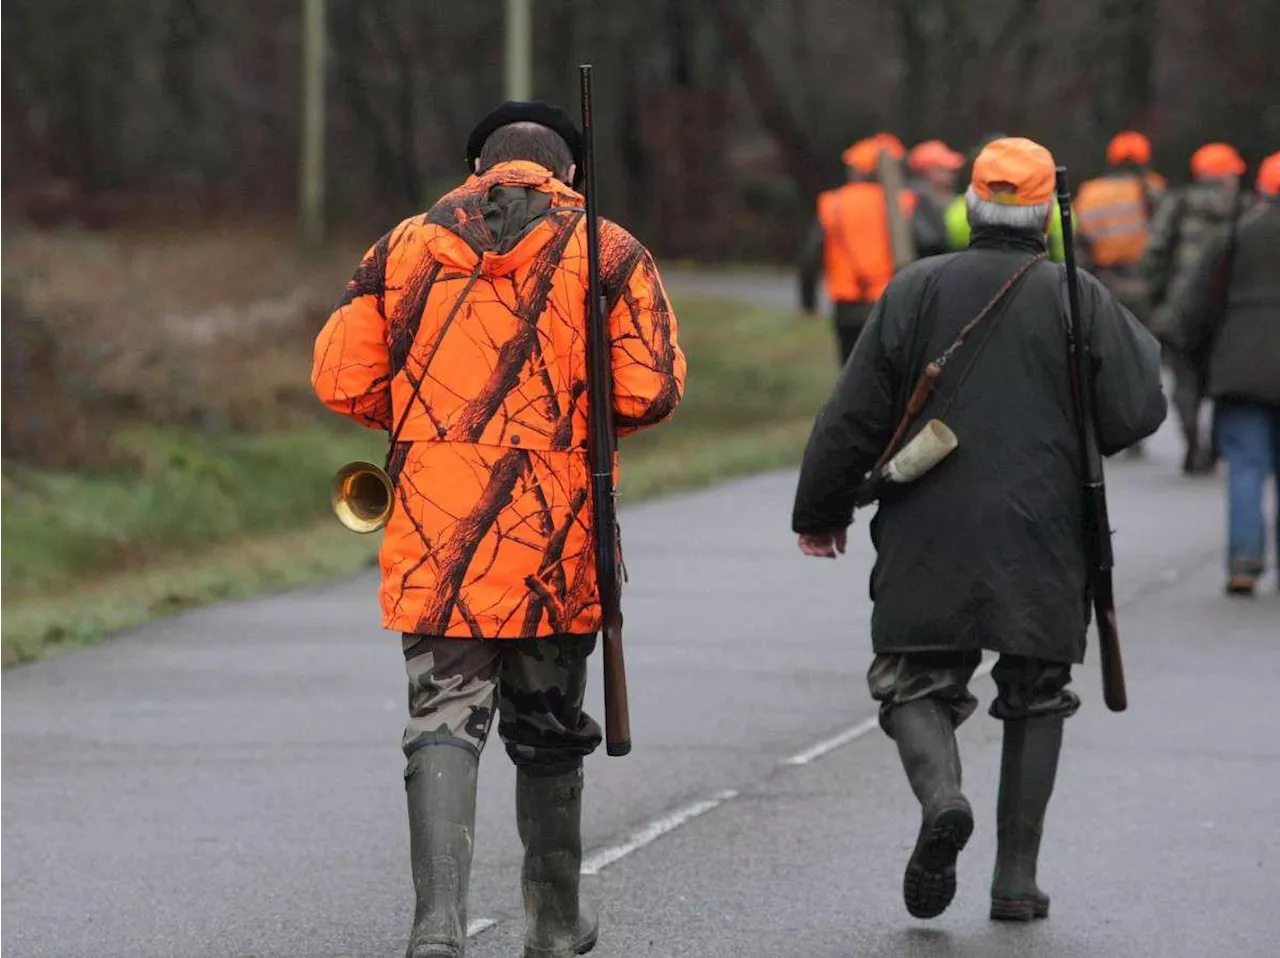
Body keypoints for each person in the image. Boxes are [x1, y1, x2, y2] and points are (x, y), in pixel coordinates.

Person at [312, 101, 686, 958]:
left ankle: (436, 925)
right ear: (568, 175)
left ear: (479, 169)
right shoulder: (611, 249)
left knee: (442, 720)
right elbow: (651, 390)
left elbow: (339, 374)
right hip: (558, 531)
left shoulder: (400, 247)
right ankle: (553, 924)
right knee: (548, 731)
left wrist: (426, 424)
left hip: (437, 526)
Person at [792, 138, 1165, 923]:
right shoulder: (1079, 295)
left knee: (912, 682)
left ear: (971, 206)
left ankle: (942, 798)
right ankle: (1016, 882)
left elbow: (853, 415)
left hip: (929, 520)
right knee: (1037, 694)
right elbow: (1138, 409)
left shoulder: (916, 288)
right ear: (1042, 216)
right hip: (1047, 527)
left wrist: (822, 511)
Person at [1172, 152, 1280, 596]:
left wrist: (1196, 356)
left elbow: (1195, 306)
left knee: (1246, 466)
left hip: (1241, 367)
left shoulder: (1234, 236)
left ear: (1262, 188)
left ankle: (1244, 562)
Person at [1147, 142, 1249, 474]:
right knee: (1223, 383)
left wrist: (1158, 299)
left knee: (1185, 378)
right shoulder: (1245, 208)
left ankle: (1191, 437)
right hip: (1229, 312)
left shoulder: (1177, 204)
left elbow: (1156, 253)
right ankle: (1217, 446)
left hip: (1182, 309)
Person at [798, 133, 920, 363]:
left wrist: (808, 302)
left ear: (859, 170)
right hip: (888, 302)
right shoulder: (903, 203)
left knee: (849, 370)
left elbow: (810, 255)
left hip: (847, 307)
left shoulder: (832, 203)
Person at [1075, 131, 1166, 323]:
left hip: (1103, 285)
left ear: (1112, 160)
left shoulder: (1089, 193)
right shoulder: (1155, 188)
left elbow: (1079, 245)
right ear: (1145, 160)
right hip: (1146, 288)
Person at [945, 132, 1068, 262]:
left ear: (970, 208)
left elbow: (952, 239)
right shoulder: (1058, 208)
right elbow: (1064, 247)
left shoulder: (957, 209)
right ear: (1048, 213)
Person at [907, 139, 966, 259]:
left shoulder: (948, 197)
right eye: (944, 169)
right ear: (928, 171)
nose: (952, 175)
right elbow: (932, 242)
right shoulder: (916, 201)